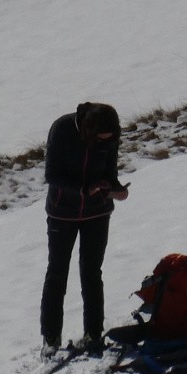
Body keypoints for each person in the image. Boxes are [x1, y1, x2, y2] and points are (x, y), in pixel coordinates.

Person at [39, 101, 129, 356]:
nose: (105, 143)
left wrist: (116, 189)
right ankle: (51, 337)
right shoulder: (62, 129)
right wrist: (81, 189)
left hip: (98, 212)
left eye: (109, 140)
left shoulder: (111, 134)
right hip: (62, 213)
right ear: (88, 130)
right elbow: (52, 175)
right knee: (57, 273)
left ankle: (93, 333)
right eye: (100, 139)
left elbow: (109, 171)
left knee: (91, 273)